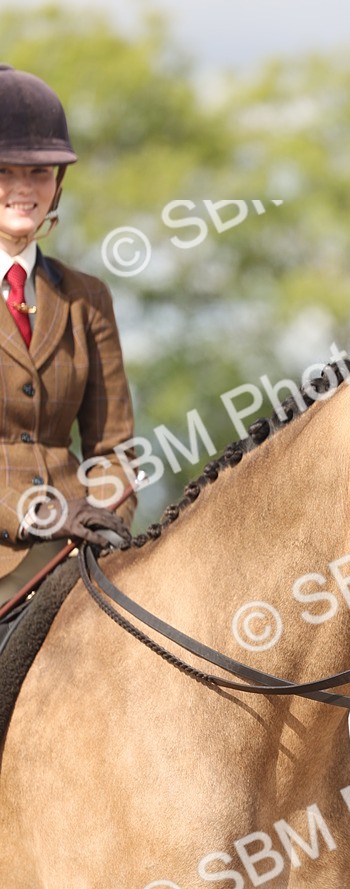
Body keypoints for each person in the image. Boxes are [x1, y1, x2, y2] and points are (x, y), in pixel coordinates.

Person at [0, 64, 136, 609]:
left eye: (39, 172)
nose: (24, 189)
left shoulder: (87, 298)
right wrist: (38, 512)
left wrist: (105, 515)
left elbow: (113, 447)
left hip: (74, 558)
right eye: (5, 171)